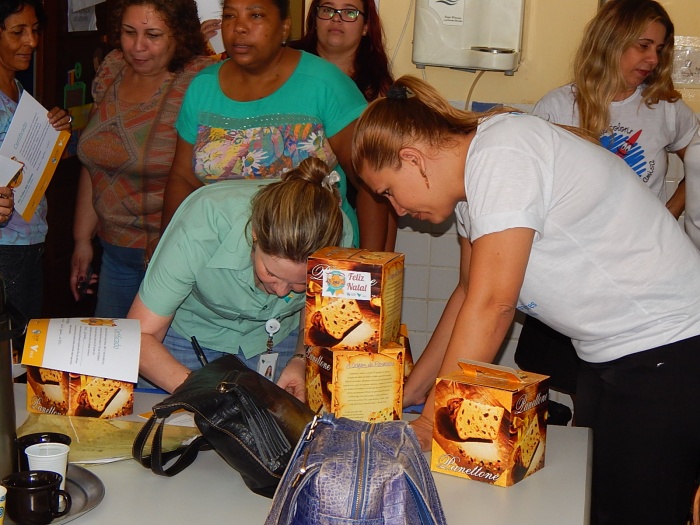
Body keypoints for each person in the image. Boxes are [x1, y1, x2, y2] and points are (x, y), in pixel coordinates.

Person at [351, 75, 700, 525]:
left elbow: (494, 306)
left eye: (388, 191)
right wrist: (412, 395)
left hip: (671, 350)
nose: (397, 209)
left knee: (634, 512)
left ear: (412, 159)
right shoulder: (471, 191)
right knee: (595, 506)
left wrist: (430, 421)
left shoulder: (504, 152)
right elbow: (468, 295)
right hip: (610, 356)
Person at [515, 0, 700, 401]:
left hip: (637, 276)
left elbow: (698, 161)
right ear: (610, 41)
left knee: (616, 391)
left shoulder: (665, 108)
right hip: (572, 273)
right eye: (643, 45)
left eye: (659, 49)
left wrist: (670, 212)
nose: (652, 59)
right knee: (563, 386)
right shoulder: (558, 106)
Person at [161, 0, 387, 252]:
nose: (239, 27)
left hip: (311, 259)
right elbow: (183, 178)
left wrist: (369, 264)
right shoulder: (203, 87)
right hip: (216, 259)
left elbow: (371, 183)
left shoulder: (326, 85)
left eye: (256, 16)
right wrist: (166, 249)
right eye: (230, 16)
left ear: (284, 27)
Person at [128, 157, 351, 396]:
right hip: (190, 337)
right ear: (255, 234)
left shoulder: (338, 237)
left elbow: (318, 315)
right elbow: (141, 336)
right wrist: (201, 395)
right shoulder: (203, 221)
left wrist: (301, 359)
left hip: (277, 339)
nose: (281, 291)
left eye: (300, 283)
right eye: (271, 273)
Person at [70, 0, 215, 318]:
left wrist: (168, 240)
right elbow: (95, 161)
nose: (137, 46)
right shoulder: (113, 67)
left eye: (153, 35)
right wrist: (82, 239)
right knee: (110, 347)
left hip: (173, 259)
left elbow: (210, 181)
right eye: (128, 32)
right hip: (114, 254)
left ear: (180, 35)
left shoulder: (199, 80)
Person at [292, 0, 397, 250]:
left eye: (349, 12)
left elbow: (388, 185)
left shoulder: (382, 92)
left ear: (366, 26)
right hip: (291, 207)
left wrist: (380, 260)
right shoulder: (287, 67)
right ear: (314, 19)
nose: (336, 18)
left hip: (358, 217)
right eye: (327, 9)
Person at [0, 0, 70, 345]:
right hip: (5, 247)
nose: (32, 41)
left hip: (29, 240)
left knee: (25, 344)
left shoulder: (18, 89)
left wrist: (56, 131)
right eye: (18, 32)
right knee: (11, 349)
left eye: (35, 30)